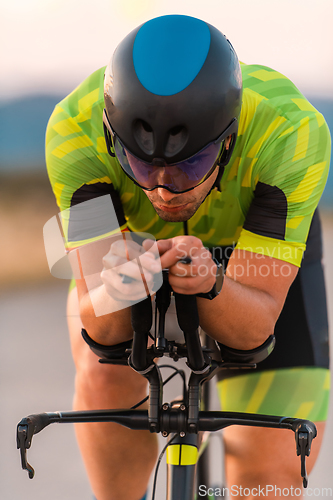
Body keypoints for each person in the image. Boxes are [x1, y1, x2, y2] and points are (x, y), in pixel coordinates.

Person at [45, 14, 331, 500]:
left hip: (253, 265)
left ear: (229, 139)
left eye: (190, 164)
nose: (163, 190)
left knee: (266, 488)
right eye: (141, 164)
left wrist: (214, 284)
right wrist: (124, 284)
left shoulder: (291, 135)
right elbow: (102, 330)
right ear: (114, 140)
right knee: (102, 373)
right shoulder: (76, 132)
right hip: (133, 255)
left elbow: (254, 328)